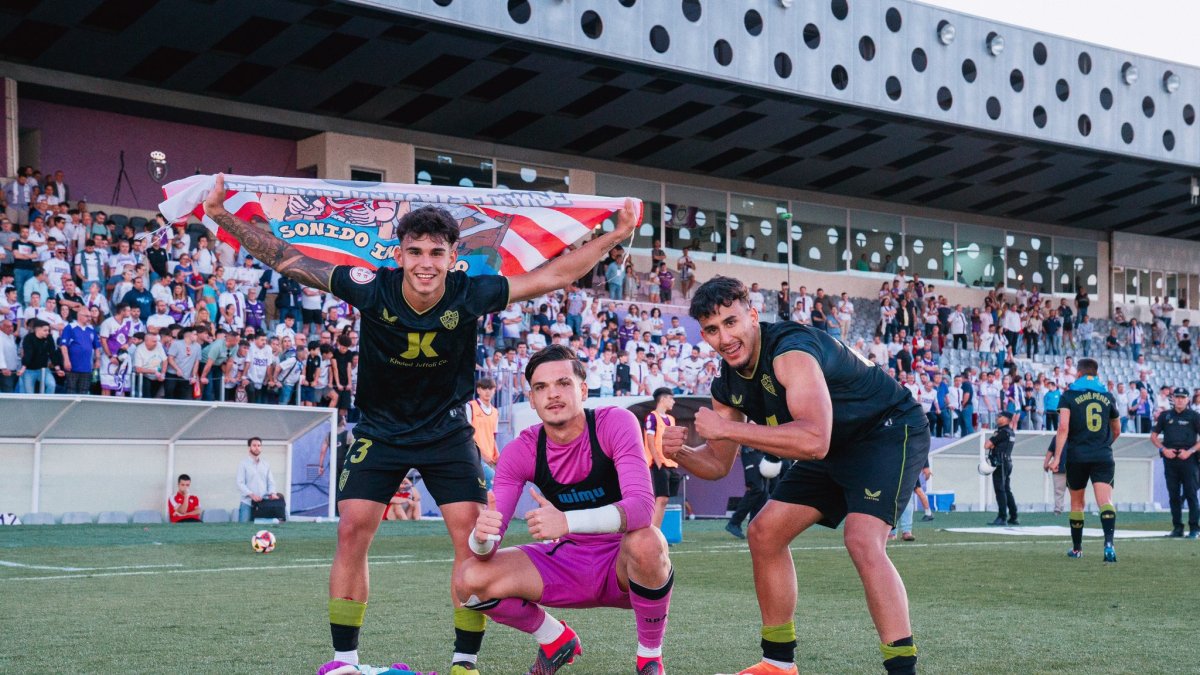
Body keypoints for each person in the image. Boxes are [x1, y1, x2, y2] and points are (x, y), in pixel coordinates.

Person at [202, 175, 637, 673]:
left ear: (454, 257)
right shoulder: (372, 287)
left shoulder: (470, 293)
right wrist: (221, 216)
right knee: (352, 530)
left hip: (447, 433)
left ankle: (464, 662)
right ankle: (344, 661)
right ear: (399, 256)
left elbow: (555, 277)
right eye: (415, 252)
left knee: (474, 541)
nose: (425, 263)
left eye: (436, 252)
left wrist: (617, 234)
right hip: (379, 430)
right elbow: (291, 261)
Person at [662, 276, 928, 675]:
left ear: (752, 316)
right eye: (713, 330)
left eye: (732, 322)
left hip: (885, 429)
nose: (725, 337)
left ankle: (902, 670)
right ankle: (778, 665)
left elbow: (814, 440)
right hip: (833, 442)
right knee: (764, 531)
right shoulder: (727, 384)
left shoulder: (791, 350)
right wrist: (678, 451)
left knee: (862, 539)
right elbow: (717, 465)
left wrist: (729, 429)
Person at [455, 345, 672, 675]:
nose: (552, 395)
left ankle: (649, 660)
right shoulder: (521, 450)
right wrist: (481, 537)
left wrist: (567, 521)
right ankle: (555, 639)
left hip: (624, 565)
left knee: (648, 540)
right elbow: (487, 548)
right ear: (531, 398)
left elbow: (642, 508)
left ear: (583, 389)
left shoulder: (615, 423)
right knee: (468, 579)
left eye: (563, 383)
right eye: (541, 387)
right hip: (567, 562)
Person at [1050, 358, 1122, 562]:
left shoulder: (1068, 395)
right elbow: (1117, 429)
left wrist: (1056, 458)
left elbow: (1063, 428)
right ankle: (1109, 544)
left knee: (1077, 504)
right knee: (1105, 502)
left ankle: (1077, 549)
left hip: (1077, 456)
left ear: (1078, 374)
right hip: (1102, 455)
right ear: (1096, 374)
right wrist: (1104, 445)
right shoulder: (1108, 396)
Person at [1150, 387, 1200, 538]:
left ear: (1187, 400)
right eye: (1177, 397)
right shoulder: (1165, 416)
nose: (1179, 400)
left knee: (1191, 494)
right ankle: (1177, 527)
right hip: (1170, 460)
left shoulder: (1194, 416)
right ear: (1173, 399)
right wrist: (1164, 449)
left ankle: (1194, 529)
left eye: (1182, 397)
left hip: (1188, 460)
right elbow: (1153, 436)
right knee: (1173, 495)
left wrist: (1190, 451)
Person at [725, 446, 781, 540]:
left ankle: (753, 528)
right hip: (749, 451)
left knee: (763, 491)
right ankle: (734, 522)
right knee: (756, 488)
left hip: (762, 452)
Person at [642, 387, 679, 528]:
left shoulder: (671, 419)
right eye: (671, 398)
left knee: (665, 499)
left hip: (671, 464)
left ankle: (656, 530)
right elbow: (650, 440)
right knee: (661, 498)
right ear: (663, 399)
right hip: (659, 463)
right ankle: (653, 531)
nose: (673, 402)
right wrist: (657, 462)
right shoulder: (652, 417)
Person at [984, 412, 1018, 526]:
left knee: (1000, 490)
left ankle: (1002, 517)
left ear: (1006, 419)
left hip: (1000, 463)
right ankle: (1013, 516)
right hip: (1007, 462)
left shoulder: (1002, 432)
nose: (998, 418)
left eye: (1000, 417)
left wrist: (993, 444)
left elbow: (987, 445)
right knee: (1007, 489)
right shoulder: (1011, 432)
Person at [237, 436, 281, 523]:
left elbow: (271, 482)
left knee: (263, 529)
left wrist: (272, 493)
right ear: (249, 447)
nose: (257, 448)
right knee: (243, 530)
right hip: (247, 503)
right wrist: (252, 495)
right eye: (254, 445)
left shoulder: (266, 464)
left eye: (259, 445)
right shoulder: (243, 464)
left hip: (264, 503)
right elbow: (240, 483)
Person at [467, 378, 500, 492]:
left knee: (486, 493)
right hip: (474, 456)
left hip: (489, 459)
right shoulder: (470, 406)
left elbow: (493, 437)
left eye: (490, 388)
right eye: (484, 388)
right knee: (493, 481)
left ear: (494, 390)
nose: (487, 391)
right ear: (478, 390)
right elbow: (467, 435)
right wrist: (482, 455)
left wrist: (498, 455)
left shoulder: (495, 412)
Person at [1042, 437, 1067, 515]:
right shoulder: (1056, 437)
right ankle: (1059, 509)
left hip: (1069, 468)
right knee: (1059, 490)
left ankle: (1059, 509)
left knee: (1060, 491)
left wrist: (1046, 464)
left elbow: (1050, 451)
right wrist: (1046, 463)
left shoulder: (1057, 437)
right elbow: (1050, 451)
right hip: (1060, 468)